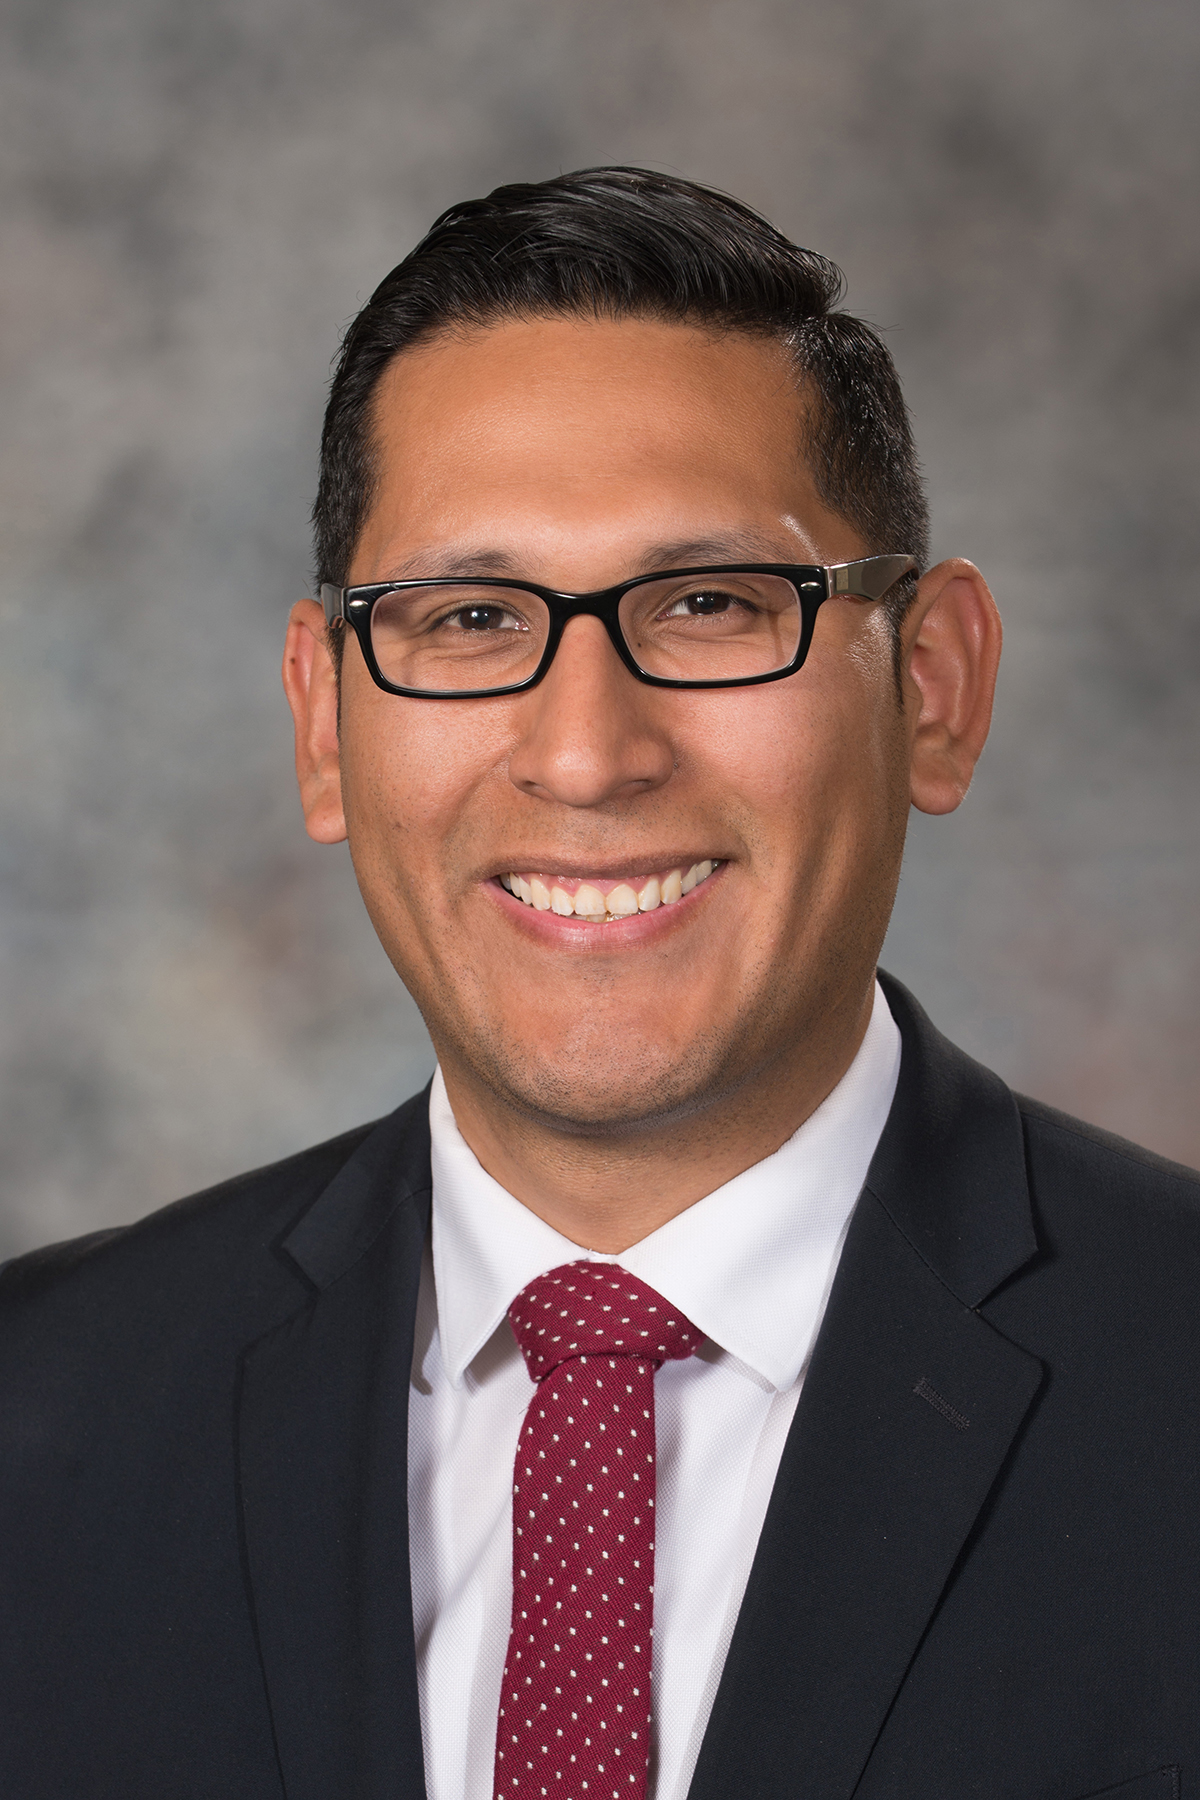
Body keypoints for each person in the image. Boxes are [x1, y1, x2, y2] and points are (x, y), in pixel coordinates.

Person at [1, 167, 1197, 1800]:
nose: (586, 752)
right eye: (469, 615)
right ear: (323, 722)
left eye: (711, 604)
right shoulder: (39, 1420)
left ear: (933, 687)